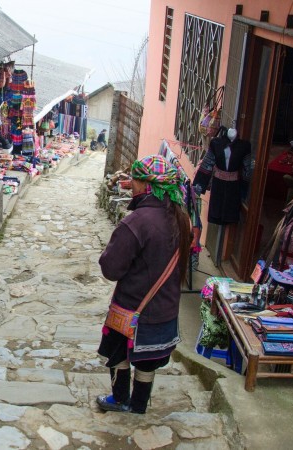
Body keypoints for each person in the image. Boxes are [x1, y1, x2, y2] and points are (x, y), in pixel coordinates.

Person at [96, 154, 191, 414]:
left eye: (136, 179)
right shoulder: (181, 219)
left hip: (132, 307)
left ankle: (119, 399)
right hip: (165, 308)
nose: (132, 184)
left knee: (119, 354)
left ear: (147, 186)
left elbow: (111, 268)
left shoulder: (137, 221)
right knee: (147, 363)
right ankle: (138, 405)